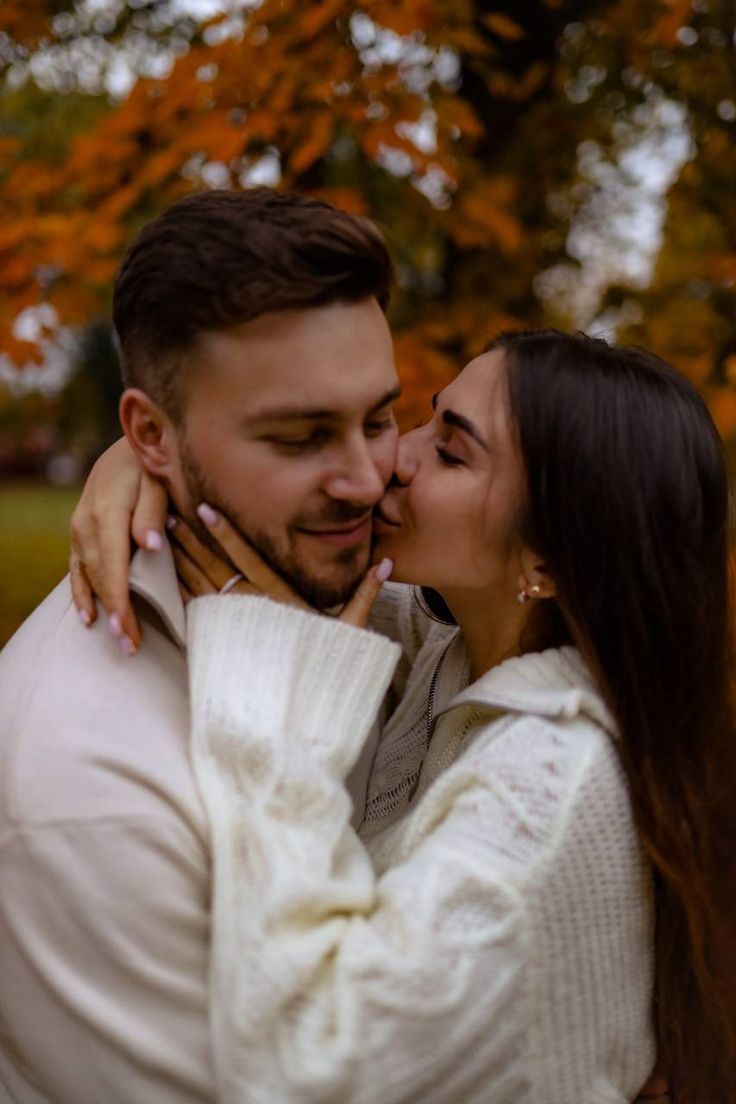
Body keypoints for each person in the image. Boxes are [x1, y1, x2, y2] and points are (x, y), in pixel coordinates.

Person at [69, 330, 735, 1100]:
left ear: (545, 564)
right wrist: (142, 458)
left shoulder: (547, 794)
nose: (394, 458)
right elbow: (272, 557)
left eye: (451, 454)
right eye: (425, 419)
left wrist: (272, 719)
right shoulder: (462, 650)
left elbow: (306, 1068)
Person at [0, 187, 403, 1102]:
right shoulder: (85, 792)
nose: (369, 479)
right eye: (302, 437)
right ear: (149, 434)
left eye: (380, 417)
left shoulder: (379, 569)